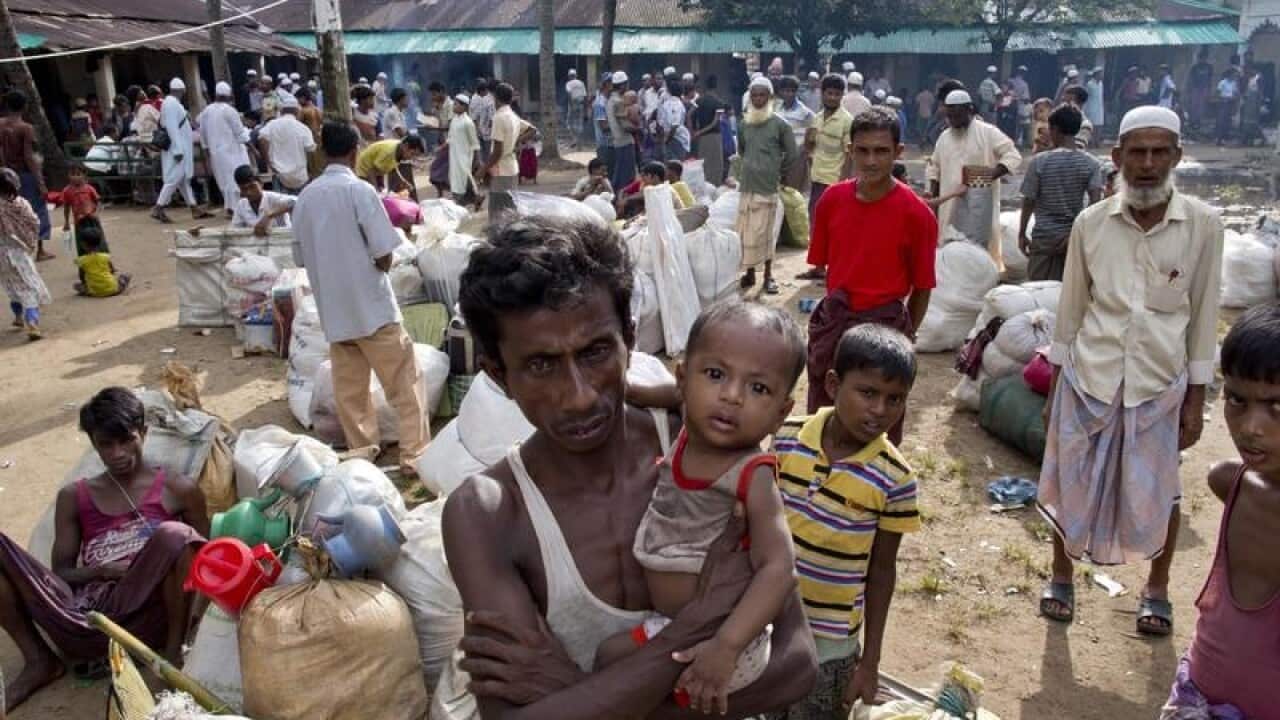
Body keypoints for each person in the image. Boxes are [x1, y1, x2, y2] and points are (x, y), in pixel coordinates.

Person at [442, 215, 816, 720]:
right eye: (541, 365)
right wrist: (693, 628)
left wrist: (582, 694)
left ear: (630, 339)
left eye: (595, 352)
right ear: (498, 375)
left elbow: (796, 664)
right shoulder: (488, 514)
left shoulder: (706, 446)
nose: (578, 397)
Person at [1037, 106, 1222, 636]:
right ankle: (1061, 576)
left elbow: (1204, 316)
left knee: (1161, 489)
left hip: (1158, 382)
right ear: (1116, 157)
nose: (1147, 164)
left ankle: (1156, 588)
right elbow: (1071, 311)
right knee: (1070, 479)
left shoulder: (1203, 226)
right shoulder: (1091, 224)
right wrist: (1054, 388)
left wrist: (1196, 400)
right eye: (1137, 152)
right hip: (1089, 376)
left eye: (1159, 152)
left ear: (1176, 157)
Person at [595, 301, 804, 714]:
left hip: (721, 641)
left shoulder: (752, 474)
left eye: (758, 388)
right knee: (611, 665)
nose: (732, 396)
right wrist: (632, 392)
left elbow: (780, 568)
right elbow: (675, 397)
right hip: (677, 625)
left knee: (613, 668)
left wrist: (726, 645)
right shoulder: (693, 427)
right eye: (715, 375)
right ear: (683, 378)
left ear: (782, 413)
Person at [0, 387, 207, 713]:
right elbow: (62, 573)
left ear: (144, 433)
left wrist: (146, 573)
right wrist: (102, 571)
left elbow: (202, 561)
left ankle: (171, 656)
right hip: (85, 623)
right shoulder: (75, 496)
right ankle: (40, 660)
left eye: (126, 440)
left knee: (175, 535)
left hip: (148, 622)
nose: (117, 453)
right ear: (94, 444)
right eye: (106, 444)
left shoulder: (178, 489)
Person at [770, 324, 921, 718]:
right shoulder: (786, 437)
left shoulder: (895, 478)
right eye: (868, 393)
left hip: (829, 645)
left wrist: (869, 663)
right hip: (765, 621)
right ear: (834, 385)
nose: (880, 410)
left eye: (895, 399)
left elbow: (882, 571)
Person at [1157, 304, 1280, 719]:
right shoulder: (1230, 483)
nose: (1251, 426)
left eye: (1276, 406)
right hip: (1195, 702)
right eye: (1237, 400)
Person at [293, 123, 429, 479]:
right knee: (405, 384)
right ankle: (413, 456)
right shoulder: (360, 191)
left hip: (335, 313)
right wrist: (376, 264)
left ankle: (362, 456)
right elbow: (384, 252)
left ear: (323, 152)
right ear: (355, 152)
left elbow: (301, 258)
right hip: (372, 308)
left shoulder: (306, 198)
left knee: (351, 394)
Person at [806, 108, 936, 425]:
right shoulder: (831, 201)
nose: (871, 161)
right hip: (835, 323)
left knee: (877, 420)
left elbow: (922, 288)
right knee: (824, 415)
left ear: (898, 152)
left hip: (885, 327)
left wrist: (904, 338)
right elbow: (828, 267)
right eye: (863, 151)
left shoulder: (917, 214)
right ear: (850, 150)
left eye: (881, 151)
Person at [926, 89, 1021, 269]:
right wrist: (932, 191)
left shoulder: (988, 132)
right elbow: (934, 166)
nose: (952, 121)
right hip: (950, 203)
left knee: (980, 250)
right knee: (950, 247)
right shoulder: (944, 137)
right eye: (949, 116)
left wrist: (987, 176)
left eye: (956, 116)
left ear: (969, 109)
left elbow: (1013, 155)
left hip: (979, 203)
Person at [1018, 104, 1103, 282]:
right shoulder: (1091, 164)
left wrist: (1021, 233)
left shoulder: (1039, 162)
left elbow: (1029, 200)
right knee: (1072, 288)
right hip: (1074, 238)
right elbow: (1095, 204)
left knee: (1039, 289)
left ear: (1055, 129)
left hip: (1043, 238)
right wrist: (1076, 233)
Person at [736, 77, 798, 296]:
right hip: (747, 185)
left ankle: (768, 276)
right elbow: (742, 150)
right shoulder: (744, 123)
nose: (758, 99)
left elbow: (792, 154)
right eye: (754, 95)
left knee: (766, 233)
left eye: (762, 95)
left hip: (768, 187)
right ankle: (750, 273)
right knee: (747, 233)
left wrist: (777, 171)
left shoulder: (780, 124)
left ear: (770, 97)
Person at [152, 79, 213, 225]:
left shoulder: (173, 103)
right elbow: (172, 128)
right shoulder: (171, 104)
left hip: (180, 148)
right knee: (174, 178)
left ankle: (194, 208)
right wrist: (178, 150)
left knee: (183, 180)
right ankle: (158, 207)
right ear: (181, 90)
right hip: (177, 150)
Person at [0, 90, 52, 261]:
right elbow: (29, 156)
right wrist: (40, 182)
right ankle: (40, 250)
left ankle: (18, 249)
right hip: (24, 174)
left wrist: (4, 170)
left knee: (11, 210)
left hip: (6, 174)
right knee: (37, 210)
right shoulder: (26, 128)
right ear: (24, 106)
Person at [0, 168, 48, 340]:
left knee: (11, 286)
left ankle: (18, 317)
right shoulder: (20, 203)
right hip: (17, 252)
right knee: (27, 288)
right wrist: (30, 241)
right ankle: (32, 323)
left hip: (0, 256)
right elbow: (34, 222)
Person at [196, 82, 252, 217]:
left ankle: (231, 208)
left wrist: (206, 153)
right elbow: (240, 133)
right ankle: (236, 210)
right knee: (236, 180)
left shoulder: (205, 112)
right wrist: (253, 148)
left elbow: (202, 135)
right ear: (228, 96)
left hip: (216, 153)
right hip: (233, 152)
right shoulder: (229, 110)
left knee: (224, 181)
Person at [257, 94, 316, 194]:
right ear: (297, 111)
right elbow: (311, 149)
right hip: (300, 175)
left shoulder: (272, 125)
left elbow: (262, 138)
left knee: (282, 202)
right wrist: (311, 172)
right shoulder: (303, 128)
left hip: (279, 173)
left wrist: (268, 162)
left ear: (281, 111)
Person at [483, 82, 526, 218]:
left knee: (496, 212)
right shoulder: (513, 115)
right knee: (510, 209)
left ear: (496, 98)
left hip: (501, 170)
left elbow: (497, 152)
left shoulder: (499, 117)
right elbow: (532, 130)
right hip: (512, 168)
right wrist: (514, 143)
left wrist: (482, 170)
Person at [776, 76, 816, 196]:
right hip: (778, 155)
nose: (789, 94)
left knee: (793, 191)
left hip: (796, 156)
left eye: (792, 91)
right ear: (781, 92)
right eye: (786, 91)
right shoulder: (776, 109)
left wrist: (806, 149)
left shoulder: (804, 112)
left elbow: (814, 129)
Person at [355, 135, 426, 201]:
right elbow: (372, 171)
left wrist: (403, 181)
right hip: (364, 170)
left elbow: (393, 166)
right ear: (406, 146)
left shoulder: (399, 150)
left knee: (381, 193)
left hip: (375, 170)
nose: (411, 158)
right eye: (412, 154)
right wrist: (376, 191)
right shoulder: (389, 152)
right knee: (370, 196)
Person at [230, 164, 295, 235]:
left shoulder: (273, 198)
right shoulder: (241, 205)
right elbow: (235, 231)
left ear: (261, 183)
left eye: (252, 187)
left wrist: (269, 215)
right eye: (244, 189)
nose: (249, 192)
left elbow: (295, 201)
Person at [58, 163, 105, 256]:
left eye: (78, 174)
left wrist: (96, 213)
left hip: (93, 220)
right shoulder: (66, 191)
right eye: (72, 174)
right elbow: (66, 208)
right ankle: (84, 263)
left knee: (99, 241)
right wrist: (66, 222)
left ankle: (105, 261)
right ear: (68, 175)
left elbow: (98, 202)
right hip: (79, 222)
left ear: (84, 175)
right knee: (82, 243)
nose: (75, 177)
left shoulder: (89, 188)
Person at [445, 93, 482, 209]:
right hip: (454, 155)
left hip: (464, 156)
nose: (454, 106)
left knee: (464, 178)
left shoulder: (468, 122)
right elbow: (450, 138)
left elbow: (475, 143)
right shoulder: (454, 120)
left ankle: (463, 201)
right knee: (456, 179)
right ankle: (475, 198)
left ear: (464, 107)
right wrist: (441, 148)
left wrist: (477, 159)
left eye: (456, 104)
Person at [689, 76, 727, 186]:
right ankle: (714, 187)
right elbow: (715, 122)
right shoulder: (719, 102)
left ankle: (703, 186)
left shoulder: (698, 100)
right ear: (716, 86)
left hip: (702, 139)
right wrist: (699, 132)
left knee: (703, 164)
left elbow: (689, 114)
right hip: (714, 137)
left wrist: (693, 132)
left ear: (705, 86)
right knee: (716, 164)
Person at [73, 224, 129, 297]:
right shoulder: (105, 257)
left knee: (76, 286)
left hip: (94, 291)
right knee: (126, 276)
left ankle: (90, 291)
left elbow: (82, 276)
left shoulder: (81, 260)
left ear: (83, 245)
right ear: (99, 243)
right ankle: (116, 287)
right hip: (113, 289)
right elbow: (111, 270)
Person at [657, 78, 690, 162]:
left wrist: (666, 140)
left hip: (675, 139)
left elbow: (674, 126)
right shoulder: (671, 103)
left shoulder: (674, 104)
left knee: (674, 165)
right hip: (672, 138)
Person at [593, 73, 615, 181]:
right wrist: (619, 125)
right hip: (604, 144)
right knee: (605, 175)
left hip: (612, 143)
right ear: (606, 84)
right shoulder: (600, 103)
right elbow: (603, 126)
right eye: (612, 82)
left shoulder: (609, 100)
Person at [469, 79, 496, 166]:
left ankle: (484, 169)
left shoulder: (480, 99)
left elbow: (476, 116)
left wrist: (478, 129)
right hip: (488, 132)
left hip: (481, 130)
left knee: (483, 156)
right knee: (488, 155)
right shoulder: (490, 101)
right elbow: (491, 120)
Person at [1187, 48, 1214, 132]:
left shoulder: (1209, 67)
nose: (1203, 60)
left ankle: (1198, 122)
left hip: (1204, 88)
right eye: (1201, 58)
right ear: (1199, 58)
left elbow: (1210, 79)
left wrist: (1209, 90)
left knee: (1201, 106)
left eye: (1204, 58)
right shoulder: (1195, 67)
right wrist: (1190, 89)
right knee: (1194, 105)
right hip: (1195, 88)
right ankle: (1192, 122)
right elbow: (1191, 79)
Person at [1215, 67, 1241, 146]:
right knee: (1221, 120)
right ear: (1229, 75)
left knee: (1228, 121)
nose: (1234, 76)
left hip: (1231, 103)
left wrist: (1235, 98)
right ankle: (1219, 138)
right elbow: (1218, 93)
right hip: (1224, 102)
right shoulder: (1222, 82)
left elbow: (1236, 93)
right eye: (1233, 75)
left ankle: (1225, 138)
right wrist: (1223, 99)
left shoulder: (1234, 83)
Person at [565, 69, 587, 146]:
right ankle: (579, 141)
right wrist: (585, 108)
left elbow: (569, 94)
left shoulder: (568, 83)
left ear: (569, 76)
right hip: (581, 104)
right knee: (579, 122)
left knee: (569, 122)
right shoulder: (581, 83)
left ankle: (574, 139)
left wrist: (571, 105)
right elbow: (584, 96)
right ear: (576, 75)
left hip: (573, 103)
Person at [1083, 68, 1105, 136]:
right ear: (1096, 74)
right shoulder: (1089, 84)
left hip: (1099, 108)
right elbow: (1085, 96)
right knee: (1091, 126)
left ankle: (1097, 140)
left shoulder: (1101, 84)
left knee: (1099, 126)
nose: (1102, 75)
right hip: (1091, 108)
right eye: (1100, 74)